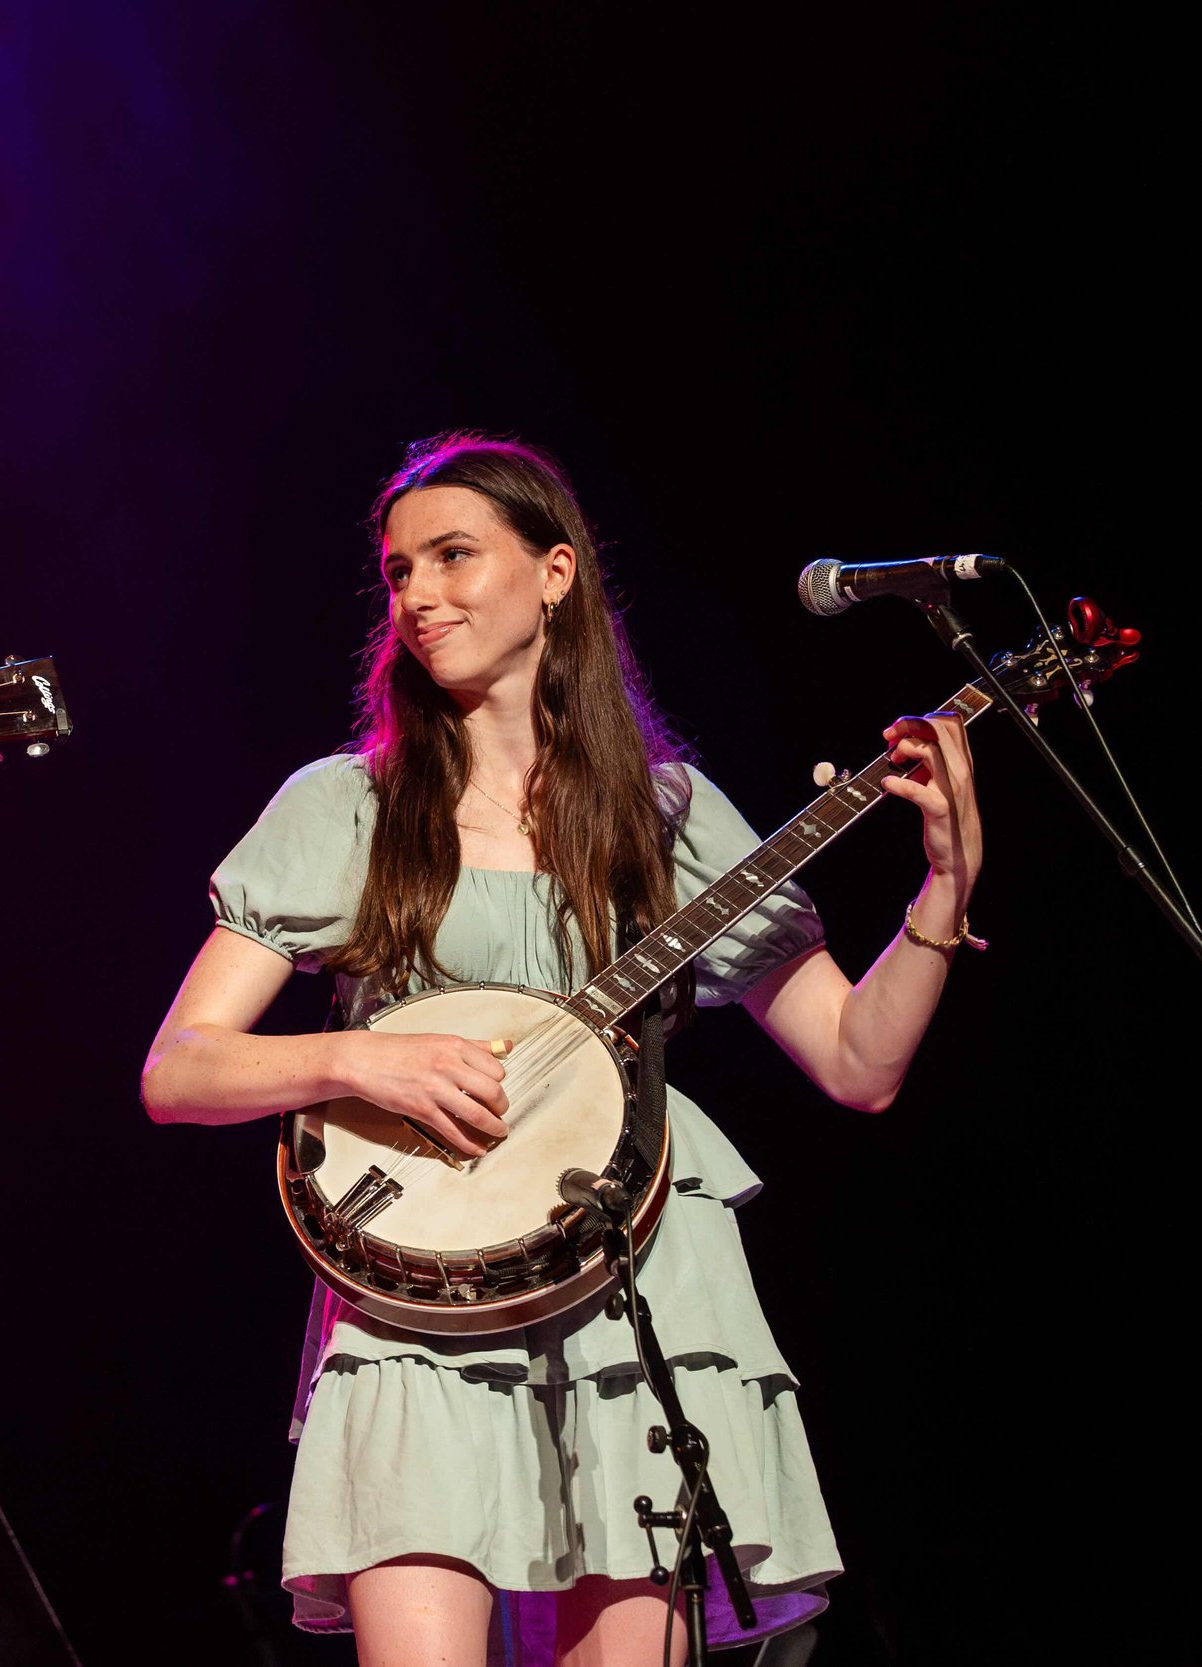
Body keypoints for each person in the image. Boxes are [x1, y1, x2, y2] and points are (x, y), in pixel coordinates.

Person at [141, 434, 982, 1667]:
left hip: (634, 1267)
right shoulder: (347, 806)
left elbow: (858, 1061)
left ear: (554, 573)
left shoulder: (672, 816)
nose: (418, 595)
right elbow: (180, 1068)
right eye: (397, 572)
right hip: (415, 1302)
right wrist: (362, 1062)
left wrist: (946, 887)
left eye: (452, 556)